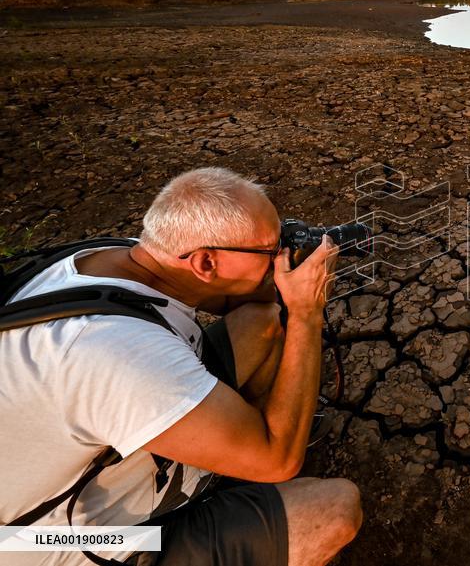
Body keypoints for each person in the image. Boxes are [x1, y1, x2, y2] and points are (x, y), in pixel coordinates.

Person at [0, 167, 363, 565]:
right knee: (333, 510)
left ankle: (233, 460)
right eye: (270, 250)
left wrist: (284, 273)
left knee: (264, 321)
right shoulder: (116, 353)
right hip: (61, 543)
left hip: (100, 461)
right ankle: (242, 461)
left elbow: (238, 300)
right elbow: (279, 462)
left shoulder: (126, 257)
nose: (280, 254)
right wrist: (307, 312)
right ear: (206, 262)